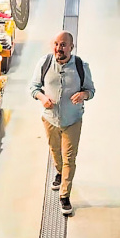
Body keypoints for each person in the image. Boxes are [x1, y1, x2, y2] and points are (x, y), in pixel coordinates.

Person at [30, 31, 95, 215]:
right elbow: (33, 87)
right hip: (50, 119)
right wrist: (42, 98)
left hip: (72, 120)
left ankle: (64, 196)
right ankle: (59, 172)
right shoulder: (44, 63)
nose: (59, 48)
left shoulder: (81, 66)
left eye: (64, 45)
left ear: (71, 47)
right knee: (55, 151)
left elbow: (91, 90)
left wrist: (83, 95)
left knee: (69, 158)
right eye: (57, 44)